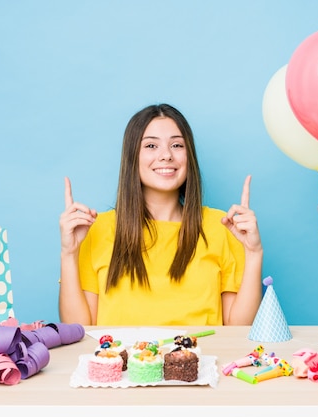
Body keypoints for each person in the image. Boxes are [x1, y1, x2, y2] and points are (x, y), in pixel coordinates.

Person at [58, 103, 263, 326]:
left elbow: (238, 330)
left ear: (189, 156)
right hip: (122, 361)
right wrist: (69, 253)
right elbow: (78, 329)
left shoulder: (222, 226)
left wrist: (253, 253)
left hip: (199, 359)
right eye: (151, 146)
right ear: (132, 157)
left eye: (176, 145)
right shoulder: (96, 229)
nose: (166, 155)